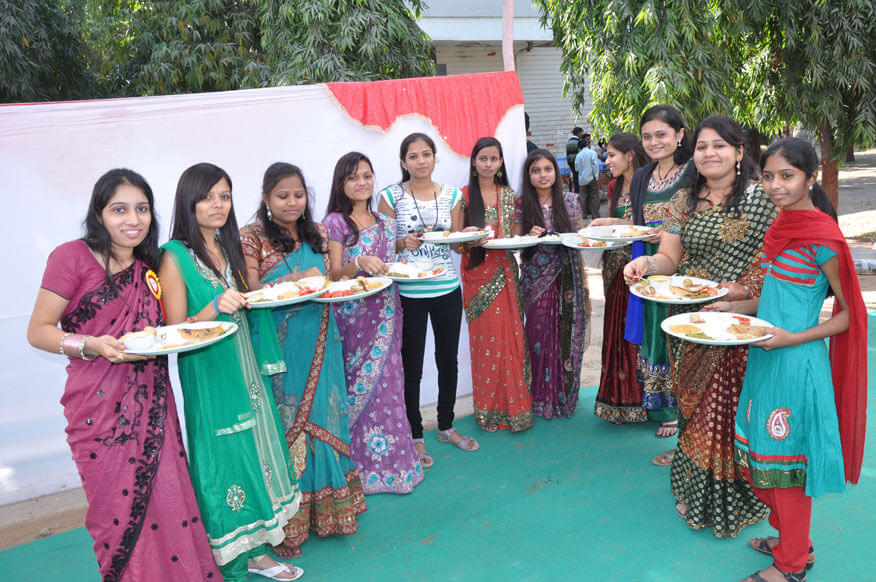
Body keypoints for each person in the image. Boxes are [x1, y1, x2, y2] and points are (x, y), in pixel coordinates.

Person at [26, 169, 220, 581]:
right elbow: (38, 331)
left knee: (169, 501)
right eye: (120, 209)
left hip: (154, 405)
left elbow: (166, 330)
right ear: (99, 213)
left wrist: (210, 313)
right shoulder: (71, 257)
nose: (133, 219)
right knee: (114, 514)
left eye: (142, 209)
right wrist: (90, 344)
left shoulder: (149, 267)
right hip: (97, 411)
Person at [624, 115, 775, 538]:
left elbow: (775, 263)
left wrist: (742, 294)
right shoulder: (684, 201)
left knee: (725, 410)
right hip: (688, 321)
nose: (709, 153)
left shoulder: (761, 200)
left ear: (739, 152)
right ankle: (695, 485)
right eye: (703, 147)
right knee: (692, 409)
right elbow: (670, 259)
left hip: (736, 322)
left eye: (719, 145)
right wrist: (647, 263)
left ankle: (733, 492)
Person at [731, 138, 866, 582]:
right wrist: (733, 308)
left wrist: (793, 338)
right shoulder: (781, 227)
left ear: (811, 177)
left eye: (786, 176)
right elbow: (776, 297)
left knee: (785, 466)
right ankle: (794, 541)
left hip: (796, 365)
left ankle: (790, 566)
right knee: (759, 454)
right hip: (765, 358)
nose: (775, 185)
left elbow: (848, 316)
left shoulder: (823, 239)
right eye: (768, 176)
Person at [159, 163, 302, 582]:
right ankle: (233, 559)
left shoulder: (228, 244)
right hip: (210, 375)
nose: (218, 205)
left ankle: (255, 553)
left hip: (245, 368)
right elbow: (173, 330)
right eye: (207, 197)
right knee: (224, 460)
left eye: (224, 196)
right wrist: (215, 306)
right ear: (189, 202)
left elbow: (243, 301)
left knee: (254, 454)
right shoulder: (174, 255)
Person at [240, 162, 366, 556]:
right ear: (266, 198)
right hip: (279, 344)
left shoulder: (320, 232)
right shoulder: (251, 237)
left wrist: (357, 268)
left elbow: (329, 280)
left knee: (326, 415)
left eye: (298, 195)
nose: (292, 203)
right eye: (282, 196)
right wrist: (290, 281)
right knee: (286, 423)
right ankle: (288, 521)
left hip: (322, 335)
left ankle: (330, 512)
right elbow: (251, 288)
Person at [324, 151, 427, 488]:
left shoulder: (385, 222)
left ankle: (397, 466)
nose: (362, 182)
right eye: (353, 177)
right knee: (356, 389)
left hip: (387, 313)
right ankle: (362, 471)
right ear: (341, 183)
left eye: (367, 176)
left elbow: (388, 266)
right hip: (352, 321)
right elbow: (332, 275)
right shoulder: (335, 223)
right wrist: (358, 263)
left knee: (390, 387)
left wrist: (400, 260)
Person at [378, 133, 479, 466]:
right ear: (403, 162)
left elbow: (455, 244)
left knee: (448, 361)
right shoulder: (389, 197)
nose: (421, 161)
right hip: (410, 293)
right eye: (413, 156)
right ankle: (416, 436)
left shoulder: (452, 195)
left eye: (426, 154)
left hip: (447, 289)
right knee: (412, 367)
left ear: (435, 158)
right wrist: (400, 243)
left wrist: (468, 238)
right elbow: (380, 246)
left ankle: (447, 426)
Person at [626, 104, 694, 444]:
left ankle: (686, 406)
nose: (654, 142)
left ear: (680, 135)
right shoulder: (642, 176)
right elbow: (634, 221)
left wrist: (667, 235)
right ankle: (663, 407)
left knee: (682, 333)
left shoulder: (694, 171)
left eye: (661, 135)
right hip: (650, 264)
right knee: (655, 332)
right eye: (647, 136)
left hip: (687, 265)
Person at [459, 137, 533, 432]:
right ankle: (488, 412)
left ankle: (515, 410)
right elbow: (455, 244)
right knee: (486, 345)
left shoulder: (509, 195)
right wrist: (467, 239)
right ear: (474, 162)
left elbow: (514, 235)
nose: (488, 164)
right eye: (483, 158)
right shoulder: (464, 196)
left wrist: (530, 233)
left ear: (501, 162)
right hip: (477, 277)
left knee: (509, 342)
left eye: (494, 159)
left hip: (505, 274)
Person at [515, 149, 590, 419]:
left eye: (548, 169)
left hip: (567, 277)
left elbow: (580, 238)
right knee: (537, 335)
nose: (543, 175)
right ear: (528, 176)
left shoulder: (571, 201)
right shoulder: (522, 204)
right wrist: (529, 234)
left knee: (565, 336)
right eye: (536, 170)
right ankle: (539, 398)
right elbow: (515, 240)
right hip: (535, 279)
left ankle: (562, 398)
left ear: (556, 173)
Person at [590, 133, 650, 423]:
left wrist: (615, 222)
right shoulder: (614, 186)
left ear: (630, 155)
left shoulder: (649, 184)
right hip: (613, 265)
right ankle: (616, 401)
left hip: (640, 267)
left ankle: (646, 402)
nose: (607, 161)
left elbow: (653, 226)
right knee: (615, 326)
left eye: (612, 155)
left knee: (639, 328)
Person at [576, 136, 601, 219]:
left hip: (582, 179)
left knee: (583, 196)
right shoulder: (592, 152)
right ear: (586, 144)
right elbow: (595, 165)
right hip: (591, 176)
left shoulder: (578, 155)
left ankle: (583, 214)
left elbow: (576, 168)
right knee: (594, 195)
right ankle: (595, 214)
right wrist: (596, 175)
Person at [566, 127, 584, 192]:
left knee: (575, 178)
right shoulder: (579, 141)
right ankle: (580, 193)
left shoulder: (568, 142)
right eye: (581, 133)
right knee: (580, 179)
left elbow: (567, 154)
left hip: (570, 163)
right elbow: (581, 153)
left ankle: (576, 193)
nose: (581, 134)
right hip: (578, 163)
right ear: (578, 133)